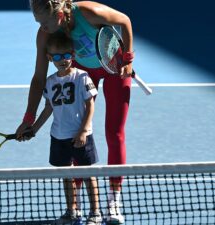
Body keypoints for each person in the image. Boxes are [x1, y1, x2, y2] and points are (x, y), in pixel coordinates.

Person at [17, 0, 135, 223]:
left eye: (45, 22)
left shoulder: (88, 12)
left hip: (113, 67)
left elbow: (125, 21)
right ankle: (76, 204)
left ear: (60, 15)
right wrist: (29, 117)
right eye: (38, 22)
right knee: (74, 134)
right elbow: (39, 78)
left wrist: (128, 59)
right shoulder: (44, 35)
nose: (42, 27)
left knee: (114, 133)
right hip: (82, 71)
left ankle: (114, 199)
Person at [28, 32, 102, 225]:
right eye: (57, 57)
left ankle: (95, 212)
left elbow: (90, 105)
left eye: (66, 55)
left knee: (87, 174)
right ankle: (72, 211)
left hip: (81, 135)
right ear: (50, 58)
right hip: (58, 136)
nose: (62, 61)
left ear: (73, 55)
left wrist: (84, 130)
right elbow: (48, 108)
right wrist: (34, 129)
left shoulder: (82, 77)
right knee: (66, 175)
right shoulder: (51, 82)